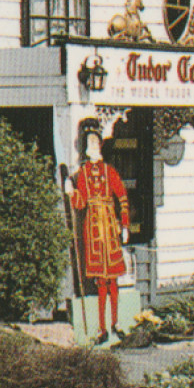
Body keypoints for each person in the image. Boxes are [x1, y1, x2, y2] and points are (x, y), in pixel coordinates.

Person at [66, 124, 130, 343]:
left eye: (95, 142)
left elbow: (122, 196)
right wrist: (71, 192)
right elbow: (81, 202)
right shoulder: (82, 174)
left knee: (113, 280)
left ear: (100, 145)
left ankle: (116, 323)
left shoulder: (109, 171)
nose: (92, 146)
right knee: (100, 282)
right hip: (93, 230)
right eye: (89, 143)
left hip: (110, 227)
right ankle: (102, 329)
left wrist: (125, 225)